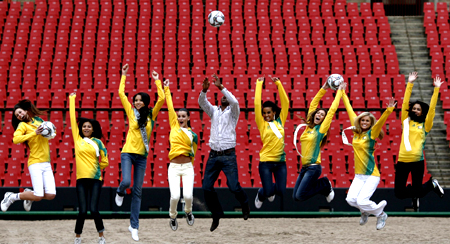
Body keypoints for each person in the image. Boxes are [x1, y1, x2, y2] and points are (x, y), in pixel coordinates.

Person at [115, 64, 165, 241]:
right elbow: (121, 94)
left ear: (145, 101)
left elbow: (162, 99)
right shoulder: (131, 113)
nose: (136, 102)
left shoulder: (151, 115)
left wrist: (157, 80)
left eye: (139, 100)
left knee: (138, 191)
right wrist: (123, 76)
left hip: (142, 156)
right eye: (135, 100)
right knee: (127, 182)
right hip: (128, 153)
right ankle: (120, 191)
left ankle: (134, 226)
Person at [199, 74, 250, 232]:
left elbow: (234, 101)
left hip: (228, 155)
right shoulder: (214, 111)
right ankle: (216, 214)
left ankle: (244, 203)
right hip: (214, 155)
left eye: (225, 96)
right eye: (220, 97)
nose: (223, 98)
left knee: (233, 187)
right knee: (206, 187)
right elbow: (202, 102)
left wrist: (221, 87)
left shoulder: (233, 112)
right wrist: (205, 90)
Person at [341, 82, 396, 230]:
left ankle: (381, 214)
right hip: (359, 175)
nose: (365, 122)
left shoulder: (372, 134)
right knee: (351, 199)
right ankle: (367, 211)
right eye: (363, 120)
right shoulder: (355, 133)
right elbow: (349, 110)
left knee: (362, 200)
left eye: (367, 121)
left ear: (371, 123)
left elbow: (380, 123)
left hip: (372, 175)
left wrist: (388, 110)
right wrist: (343, 93)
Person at [394, 72, 445, 211]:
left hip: (417, 161)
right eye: (414, 108)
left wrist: (436, 89)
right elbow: (405, 102)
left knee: (418, 192)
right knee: (398, 193)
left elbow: (432, 110)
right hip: (402, 160)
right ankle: (423, 189)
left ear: (422, 112)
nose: (415, 110)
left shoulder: (425, 125)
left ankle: (430, 185)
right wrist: (409, 83)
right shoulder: (406, 121)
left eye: (418, 109)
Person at [292, 81, 344, 203]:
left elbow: (331, 111)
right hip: (304, 168)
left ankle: (324, 183)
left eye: (322, 115)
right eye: (318, 113)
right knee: (295, 197)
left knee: (300, 196)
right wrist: (323, 88)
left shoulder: (321, 130)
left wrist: (340, 92)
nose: (319, 115)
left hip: (313, 167)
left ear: (324, 120)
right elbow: (313, 104)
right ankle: (323, 185)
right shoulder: (308, 127)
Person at [1, 100, 56, 212]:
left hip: (46, 162)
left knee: (51, 195)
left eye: (20, 112)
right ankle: (11, 197)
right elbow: (15, 139)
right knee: (38, 196)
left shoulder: (38, 120)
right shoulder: (22, 125)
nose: (20, 115)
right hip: (35, 163)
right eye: (17, 115)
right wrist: (33, 133)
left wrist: (51, 133)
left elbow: (46, 136)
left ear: (26, 111)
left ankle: (28, 193)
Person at [69, 92, 109, 244]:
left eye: (89, 127)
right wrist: (72, 99)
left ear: (93, 129)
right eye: (84, 126)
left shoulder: (98, 142)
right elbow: (72, 119)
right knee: (83, 211)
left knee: (94, 209)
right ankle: (78, 237)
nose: (86, 128)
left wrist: (100, 166)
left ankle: (101, 237)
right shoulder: (77, 139)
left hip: (95, 180)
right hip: (81, 179)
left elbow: (105, 159)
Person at [163, 79, 198, 231]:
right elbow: (170, 107)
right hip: (174, 167)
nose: (181, 118)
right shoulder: (174, 126)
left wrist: (190, 165)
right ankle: (172, 216)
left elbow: (194, 152)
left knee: (189, 196)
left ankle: (188, 212)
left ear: (188, 118)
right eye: (179, 116)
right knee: (175, 197)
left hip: (188, 167)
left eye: (184, 116)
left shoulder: (193, 134)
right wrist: (166, 88)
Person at [254, 75, 289, 208]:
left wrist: (279, 84)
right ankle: (261, 193)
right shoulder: (261, 123)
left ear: (274, 112)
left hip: (280, 162)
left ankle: (268, 188)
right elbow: (257, 104)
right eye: (264, 113)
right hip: (266, 162)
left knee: (281, 191)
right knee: (268, 193)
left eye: (269, 112)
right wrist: (259, 85)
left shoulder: (281, 120)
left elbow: (285, 102)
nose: (266, 115)